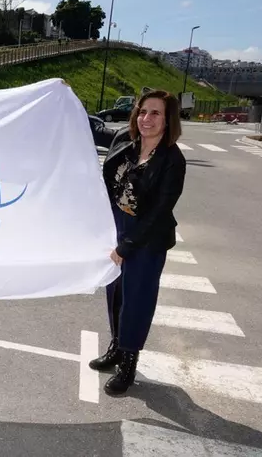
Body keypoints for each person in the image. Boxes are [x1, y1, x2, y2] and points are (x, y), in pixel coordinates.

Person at [88, 90, 187, 395]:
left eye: (155, 113)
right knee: (115, 294)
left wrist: (126, 246)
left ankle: (129, 361)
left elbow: (159, 211)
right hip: (116, 227)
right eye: (143, 112)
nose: (147, 119)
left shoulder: (172, 160)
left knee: (137, 300)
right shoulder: (124, 141)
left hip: (147, 237)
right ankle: (117, 347)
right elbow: (90, 132)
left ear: (168, 120)